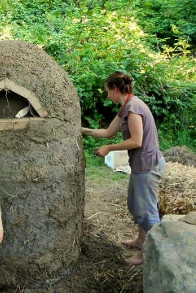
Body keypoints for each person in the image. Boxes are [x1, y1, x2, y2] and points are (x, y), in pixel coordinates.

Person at [81, 71, 165, 265]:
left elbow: (136, 141)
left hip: (147, 165)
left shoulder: (133, 108)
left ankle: (149, 253)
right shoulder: (125, 108)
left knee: (147, 212)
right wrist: (81, 130)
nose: (107, 95)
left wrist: (109, 148)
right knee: (134, 205)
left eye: (107, 91)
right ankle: (141, 240)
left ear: (115, 89)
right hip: (139, 165)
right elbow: (108, 132)